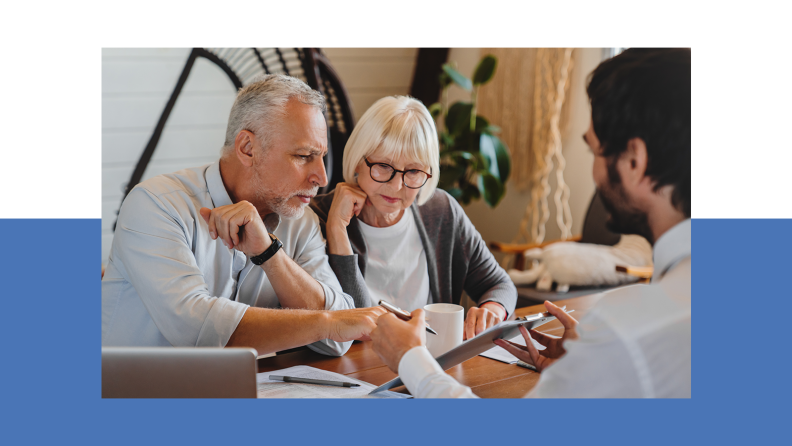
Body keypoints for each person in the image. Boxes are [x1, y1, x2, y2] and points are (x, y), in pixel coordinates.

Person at [370, 48, 691, 397]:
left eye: (594, 151)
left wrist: (411, 360)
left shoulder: (629, 329)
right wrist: (582, 374)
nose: (595, 171)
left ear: (634, 160)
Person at [102, 74, 385, 356]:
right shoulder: (155, 204)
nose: (321, 178)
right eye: (303, 156)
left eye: (321, 156)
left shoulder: (302, 222)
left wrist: (270, 254)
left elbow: (338, 340)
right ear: (247, 148)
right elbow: (196, 331)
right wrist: (325, 322)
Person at [310, 96, 516, 340]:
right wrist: (336, 231)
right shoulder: (318, 217)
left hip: (429, 363)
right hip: (355, 369)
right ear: (357, 160)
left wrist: (492, 309)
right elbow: (350, 322)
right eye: (384, 166)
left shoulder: (440, 210)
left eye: (414, 171)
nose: (397, 185)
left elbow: (500, 285)